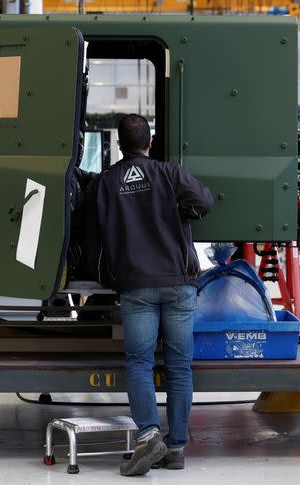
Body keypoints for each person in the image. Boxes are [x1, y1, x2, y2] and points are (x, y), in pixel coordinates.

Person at [91, 114, 213, 476]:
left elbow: (95, 231)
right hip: (178, 284)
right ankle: (175, 448)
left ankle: (148, 436)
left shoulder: (107, 181)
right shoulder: (170, 174)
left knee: (140, 363)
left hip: (137, 285)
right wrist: (184, 210)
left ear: (118, 144)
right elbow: (204, 202)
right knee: (178, 368)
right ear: (150, 142)